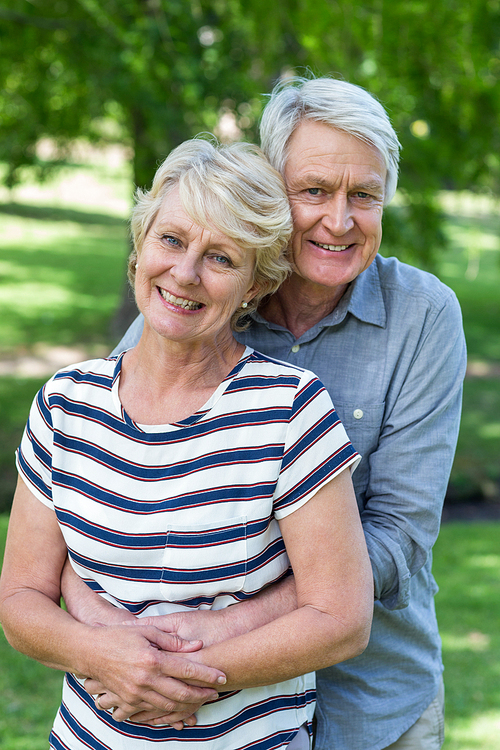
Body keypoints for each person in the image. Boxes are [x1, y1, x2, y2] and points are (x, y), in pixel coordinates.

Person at [88, 76, 467, 750]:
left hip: (370, 703)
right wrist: (109, 646)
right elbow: (96, 455)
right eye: (314, 192)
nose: (340, 221)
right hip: (214, 720)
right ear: (270, 188)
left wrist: (224, 635)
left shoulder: (424, 318)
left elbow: (401, 534)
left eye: (364, 197)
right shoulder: (204, 293)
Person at [0, 137, 373, 750]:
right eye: (171, 240)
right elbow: (20, 599)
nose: (185, 273)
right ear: (140, 243)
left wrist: (176, 679)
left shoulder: (288, 409)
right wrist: (103, 654)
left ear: (255, 284)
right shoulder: (65, 405)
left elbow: (342, 620)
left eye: (221, 258)